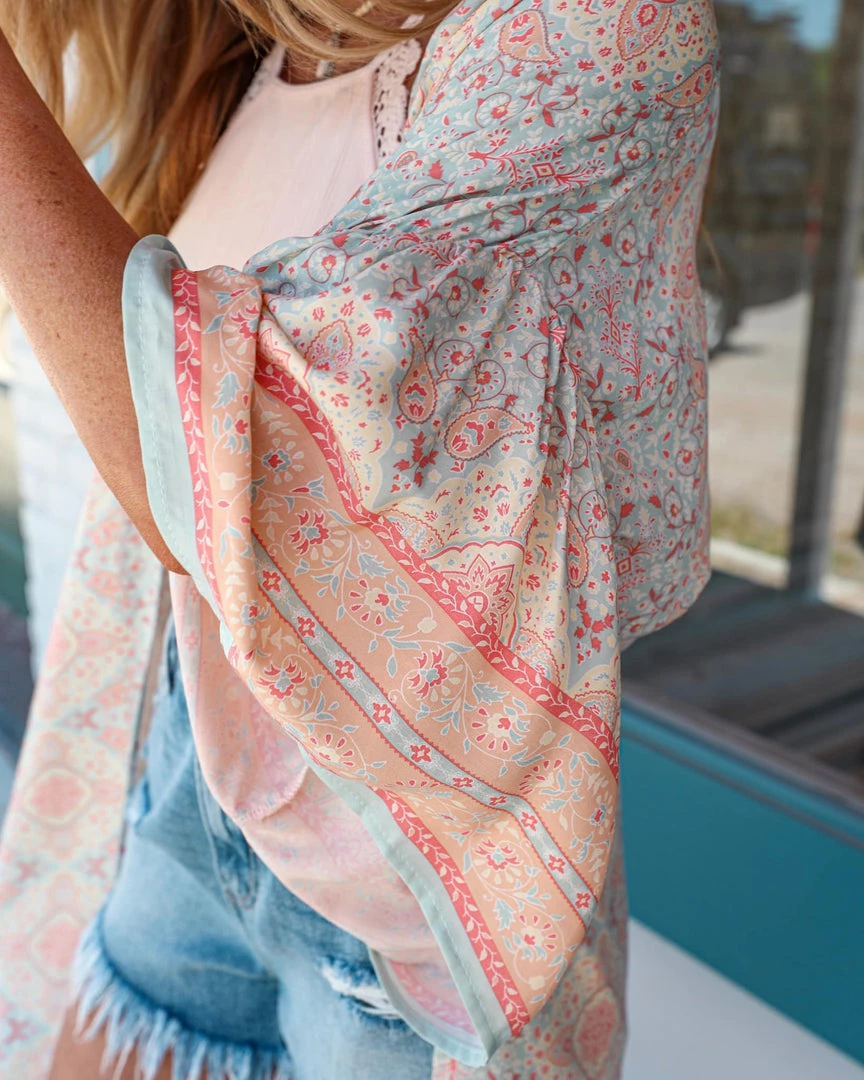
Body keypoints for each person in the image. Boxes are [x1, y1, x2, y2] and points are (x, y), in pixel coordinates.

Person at [0, 0, 720, 1077]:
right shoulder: (260, 53)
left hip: (412, 867)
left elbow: (219, 465)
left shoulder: (603, 27)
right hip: (196, 774)